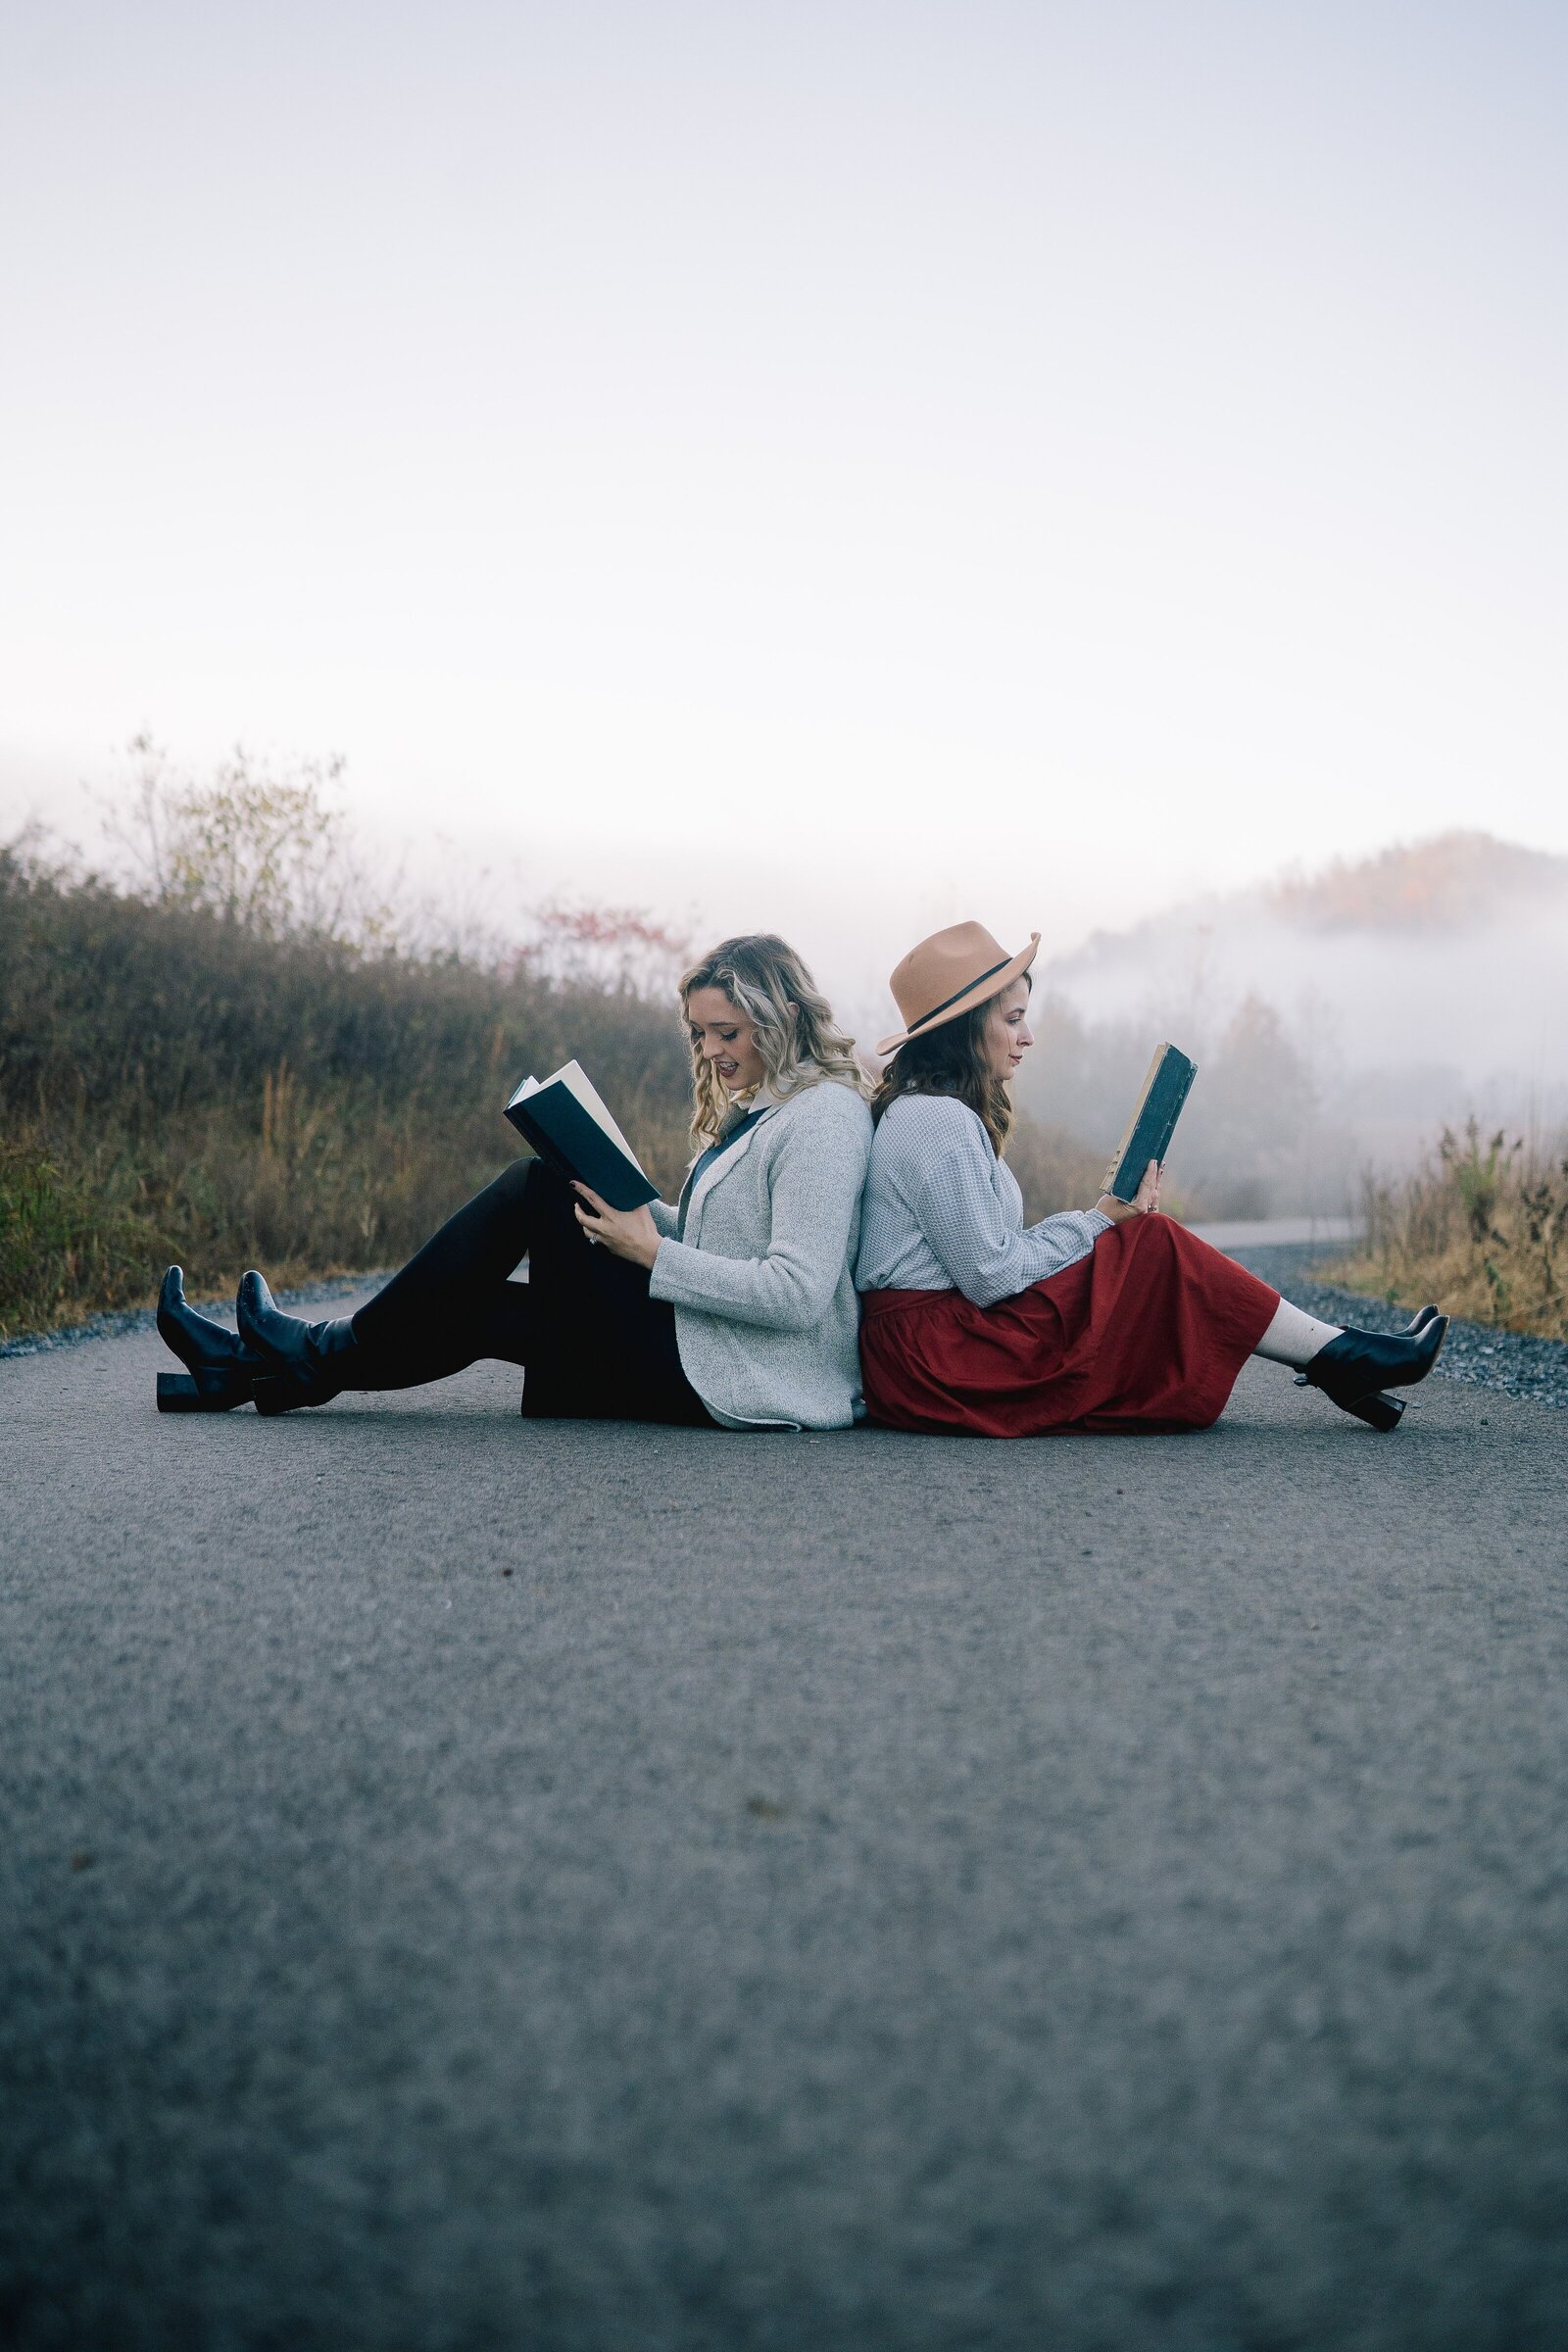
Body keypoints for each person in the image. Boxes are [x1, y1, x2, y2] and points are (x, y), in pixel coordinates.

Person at [156, 935, 873, 1431]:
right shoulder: (770, 1107)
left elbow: (796, 1292)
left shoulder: (825, 1118)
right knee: (481, 1310)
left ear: (782, 1017)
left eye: (727, 1032)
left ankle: (300, 1349)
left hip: (744, 1375)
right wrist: (632, 1206)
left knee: (534, 1186)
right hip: (707, 1346)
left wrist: (650, 1251)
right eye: (701, 1033)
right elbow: (725, 1237)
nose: (711, 1050)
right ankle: (249, 1372)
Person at [855, 921, 1448, 1437]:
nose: (1028, 1036)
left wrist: (1101, 1224)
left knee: (1138, 1244)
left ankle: (1340, 1358)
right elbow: (993, 1275)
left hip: (932, 1351)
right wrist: (1096, 1223)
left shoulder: (931, 1113)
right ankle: (1341, 1356)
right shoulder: (936, 1121)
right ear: (962, 1031)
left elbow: (988, 1261)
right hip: (939, 1357)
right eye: (1013, 1019)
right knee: (1150, 1243)